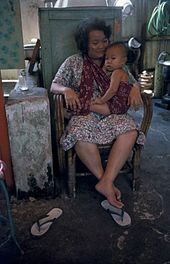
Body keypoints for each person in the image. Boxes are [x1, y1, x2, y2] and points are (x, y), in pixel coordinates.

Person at [51, 17, 144, 209]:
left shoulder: (114, 59)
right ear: (85, 44)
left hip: (113, 111)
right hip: (85, 111)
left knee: (130, 131)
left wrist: (135, 88)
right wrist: (67, 90)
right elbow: (54, 84)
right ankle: (106, 182)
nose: (101, 46)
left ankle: (105, 182)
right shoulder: (74, 62)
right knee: (79, 133)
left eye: (104, 41)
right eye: (95, 42)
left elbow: (132, 80)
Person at [92, 41, 133, 114]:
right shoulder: (118, 72)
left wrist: (101, 100)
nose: (109, 61)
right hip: (120, 106)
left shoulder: (117, 73)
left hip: (115, 106)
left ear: (123, 61)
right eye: (106, 58)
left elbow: (112, 90)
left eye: (113, 58)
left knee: (89, 105)